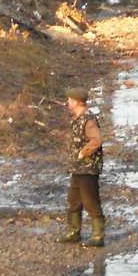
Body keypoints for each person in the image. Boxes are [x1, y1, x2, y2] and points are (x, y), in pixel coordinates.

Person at [57, 86, 105, 248]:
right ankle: (73, 232)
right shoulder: (78, 118)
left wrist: (83, 153)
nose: (67, 102)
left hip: (88, 168)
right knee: (74, 200)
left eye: (69, 100)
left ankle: (98, 236)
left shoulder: (88, 119)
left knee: (90, 201)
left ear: (77, 102)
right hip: (77, 169)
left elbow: (97, 140)